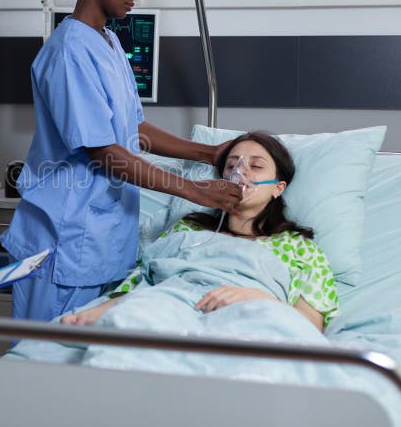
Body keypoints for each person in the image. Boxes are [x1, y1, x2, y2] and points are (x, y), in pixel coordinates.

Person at [0, 0, 242, 323]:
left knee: (92, 369)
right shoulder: (69, 52)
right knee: (46, 368)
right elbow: (105, 153)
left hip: (104, 243)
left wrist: (208, 154)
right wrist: (195, 191)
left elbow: (134, 129)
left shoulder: (110, 45)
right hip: (65, 247)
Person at [62, 132, 339, 332]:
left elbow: (310, 328)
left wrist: (257, 297)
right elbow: (146, 280)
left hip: (251, 318)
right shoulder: (188, 229)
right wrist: (108, 308)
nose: (240, 173)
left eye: (255, 166)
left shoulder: (300, 248)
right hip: (163, 307)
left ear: (278, 187)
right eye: (231, 166)